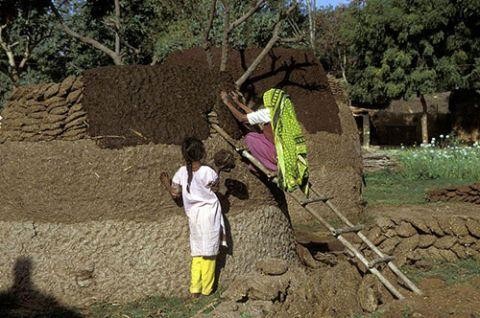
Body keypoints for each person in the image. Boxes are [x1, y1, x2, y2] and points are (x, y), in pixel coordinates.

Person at [160, 137, 226, 298]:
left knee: (197, 253)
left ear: (184, 155)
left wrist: (166, 183)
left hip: (194, 217)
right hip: (209, 215)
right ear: (202, 152)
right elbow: (215, 188)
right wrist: (219, 170)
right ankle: (207, 290)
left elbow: (175, 193)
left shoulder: (181, 172)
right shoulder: (207, 171)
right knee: (209, 254)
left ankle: (194, 289)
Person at [220, 91, 277, 172]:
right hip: (277, 145)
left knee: (250, 138)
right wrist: (238, 102)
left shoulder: (269, 113)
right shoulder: (275, 113)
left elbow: (241, 118)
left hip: (275, 151)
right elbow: (254, 115)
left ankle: (266, 163)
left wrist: (227, 103)